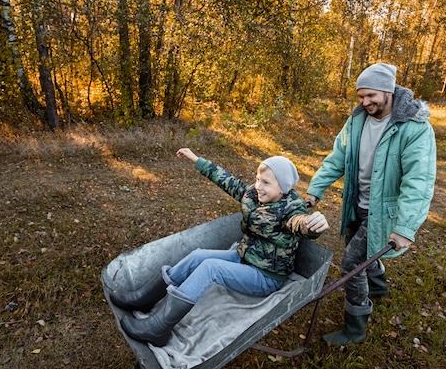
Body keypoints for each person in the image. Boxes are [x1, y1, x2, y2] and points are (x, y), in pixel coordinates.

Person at [110, 148, 330, 346]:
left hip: (266, 276)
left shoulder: (290, 210)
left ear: (283, 188)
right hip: (244, 256)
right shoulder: (254, 195)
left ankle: (158, 328)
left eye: (266, 182)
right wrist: (198, 160)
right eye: (257, 179)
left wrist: (314, 226)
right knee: (198, 256)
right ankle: (146, 299)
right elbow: (228, 182)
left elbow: (301, 225)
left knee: (211, 268)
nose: (258, 186)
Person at [305, 63, 436, 345]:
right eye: (360, 96)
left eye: (370, 96)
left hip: (385, 211)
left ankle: (355, 327)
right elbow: (337, 158)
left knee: (352, 262)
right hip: (357, 203)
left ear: (388, 91)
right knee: (359, 249)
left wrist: (405, 228)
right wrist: (315, 190)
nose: (365, 102)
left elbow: (419, 182)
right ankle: (377, 288)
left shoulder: (413, 128)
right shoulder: (356, 120)